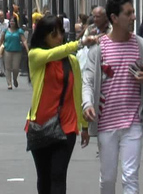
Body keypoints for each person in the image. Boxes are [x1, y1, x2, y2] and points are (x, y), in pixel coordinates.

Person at [82, 0, 143, 194]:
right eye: (128, 13)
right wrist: (87, 104)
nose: (133, 17)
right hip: (106, 123)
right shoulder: (98, 49)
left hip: (133, 121)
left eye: (133, 12)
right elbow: (88, 81)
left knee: (130, 176)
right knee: (107, 178)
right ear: (114, 18)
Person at [27, 16, 96, 194]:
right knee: (44, 177)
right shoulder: (36, 56)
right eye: (54, 34)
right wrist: (79, 43)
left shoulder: (71, 62)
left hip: (66, 125)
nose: (59, 38)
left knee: (58, 175)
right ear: (44, 37)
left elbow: (78, 92)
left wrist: (85, 125)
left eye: (61, 33)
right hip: (40, 124)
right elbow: (51, 54)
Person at [0, 18, 28, 90]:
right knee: (7, 68)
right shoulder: (5, 31)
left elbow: (24, 41)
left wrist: (27, 50)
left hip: (17, 51)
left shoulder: (19, 31)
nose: (12, 23)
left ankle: (15, 78)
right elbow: (1, 40)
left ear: (15, 22)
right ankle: (9, 83)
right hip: (7, 50)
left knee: (15, 68)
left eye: (13, 21)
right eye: (10, 21)